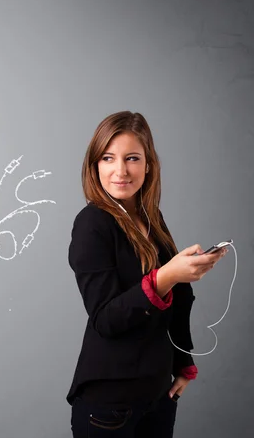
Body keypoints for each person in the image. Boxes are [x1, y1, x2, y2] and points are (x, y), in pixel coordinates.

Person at [66, 111, 228, 438]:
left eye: (132, 158)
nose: (120, 170)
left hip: (158, 394)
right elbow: (106, 319)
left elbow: (177, 298)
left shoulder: (150, 218)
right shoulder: (92, 223)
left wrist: (183, 364)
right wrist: (166, 276)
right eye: (108, 158)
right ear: (95, 165)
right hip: (109, 404)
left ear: (148, 165)